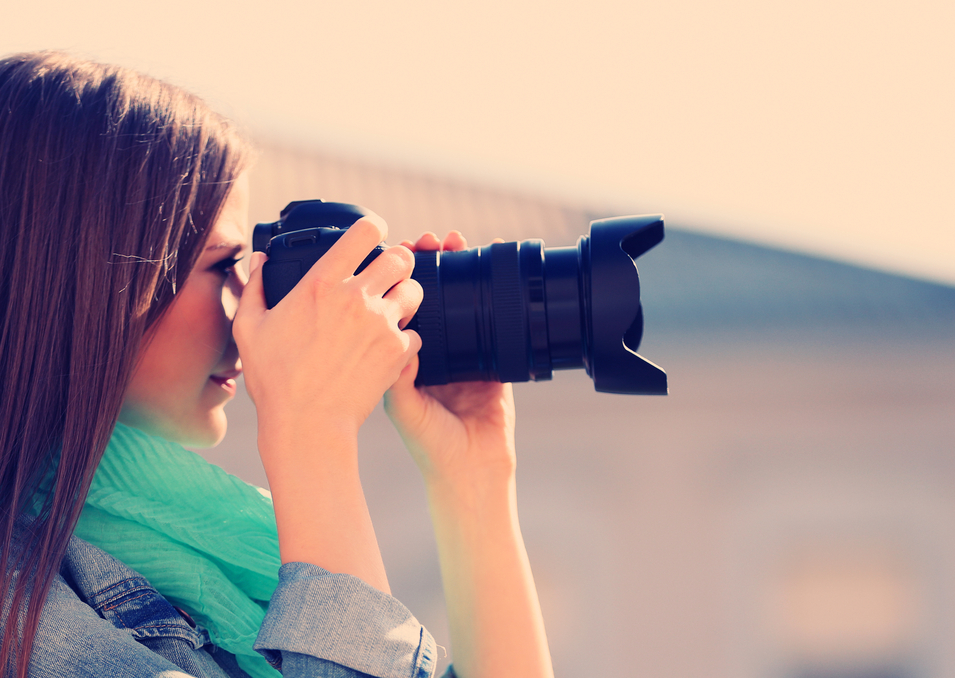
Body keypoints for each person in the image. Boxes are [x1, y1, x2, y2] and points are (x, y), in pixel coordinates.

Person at [0, 51, 554, 678]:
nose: (250, 311)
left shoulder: (191, 548)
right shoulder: (25, 614)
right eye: (222, 267)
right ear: (83, 287)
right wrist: (310, 431)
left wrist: (473, 480)